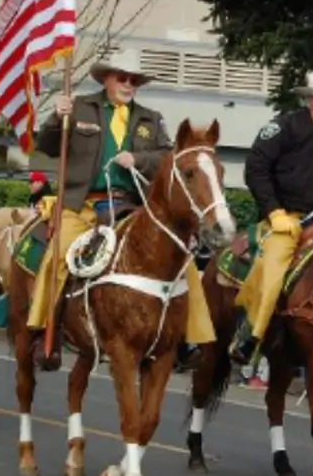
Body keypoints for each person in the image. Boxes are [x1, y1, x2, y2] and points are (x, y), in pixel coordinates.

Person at [27, 50, 214, 371]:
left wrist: (137, 160)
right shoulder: (80, 107)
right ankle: (47, 330)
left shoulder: (150, 118)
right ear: (107, 79)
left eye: (135, 80)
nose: (130, 85)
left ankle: (189, 340)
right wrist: (57, 118)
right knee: (57, 257)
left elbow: (166, 156)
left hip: (131, 204)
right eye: (123, 78)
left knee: (182, 258)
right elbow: (45, 145)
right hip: (83, 203)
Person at [229, 69, 313, 365]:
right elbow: (256, 169)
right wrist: (273, 211)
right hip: (288, 218)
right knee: (273, 269)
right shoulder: (283, 128)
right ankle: (250, 335)